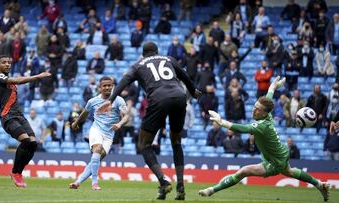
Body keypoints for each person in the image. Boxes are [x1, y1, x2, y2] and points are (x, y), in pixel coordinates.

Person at [198, 76, 330, 202]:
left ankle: (211, 190)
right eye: (254, 107)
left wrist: (221, 122)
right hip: (279, 154)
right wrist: (273, 86)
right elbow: (269, 96)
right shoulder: (267, 115)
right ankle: (319, 184)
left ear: (264, 113)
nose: (253, 111)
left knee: (243, 171)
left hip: (274, 161)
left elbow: (241, 128)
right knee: (290, 171)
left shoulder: (261, 126)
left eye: (257, 110)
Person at [97, 42, 201, 200]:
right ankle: (180, 187)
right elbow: (184, 76)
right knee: (176, 142)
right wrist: (193, 91)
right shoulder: (169, 59)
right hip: (180, 97)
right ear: (157, 51)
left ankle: (163, 182)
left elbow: (124, 82)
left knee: (144, 144)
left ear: (143, 53)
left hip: (158, 98)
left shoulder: (138, 65)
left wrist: (110, 100)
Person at [0, 55, 51, 187]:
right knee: (25, 140)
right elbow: (17, 81)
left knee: (33, 143)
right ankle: (14, 172)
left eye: (9, 62)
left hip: (19, 115)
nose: (7, 64)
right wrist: (37, 76)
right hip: (8, 116)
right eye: (4, 62)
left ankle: (18, 173)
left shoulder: (7, 79)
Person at [69, 76, 129, 190]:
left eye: (109, 85)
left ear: (113, 86)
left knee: (95, 160)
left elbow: (127, 115)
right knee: (97, 148)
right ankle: (94, 183)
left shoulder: (119, 100)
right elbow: (85, 113)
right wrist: (75, 122)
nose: (107, 87)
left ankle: (77, 182)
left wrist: (120, 124)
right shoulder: (93, 101)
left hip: (109, 135)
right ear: (100, 88)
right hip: (96, 130)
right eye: (104, 85)